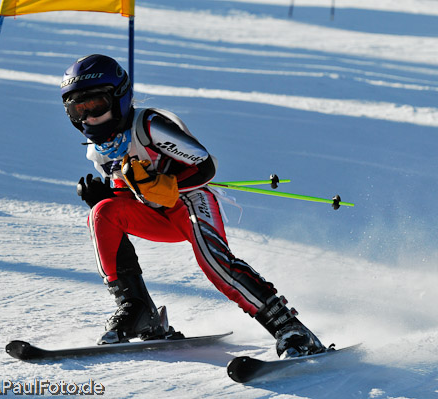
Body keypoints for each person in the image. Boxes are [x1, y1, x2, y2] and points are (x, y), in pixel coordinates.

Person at [60, 54, 326, 358]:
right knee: (102, 214)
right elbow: (131, 192)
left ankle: (289, 327)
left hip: (191, 201)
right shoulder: (99, 150)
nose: (89, 118)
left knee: (214, 262)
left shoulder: (148, 125)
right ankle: (136, 310)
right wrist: (108, 197)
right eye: (77, 110)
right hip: (158, 214)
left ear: (118, 97)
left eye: (96, 105)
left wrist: (162, 184)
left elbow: (205, 165)